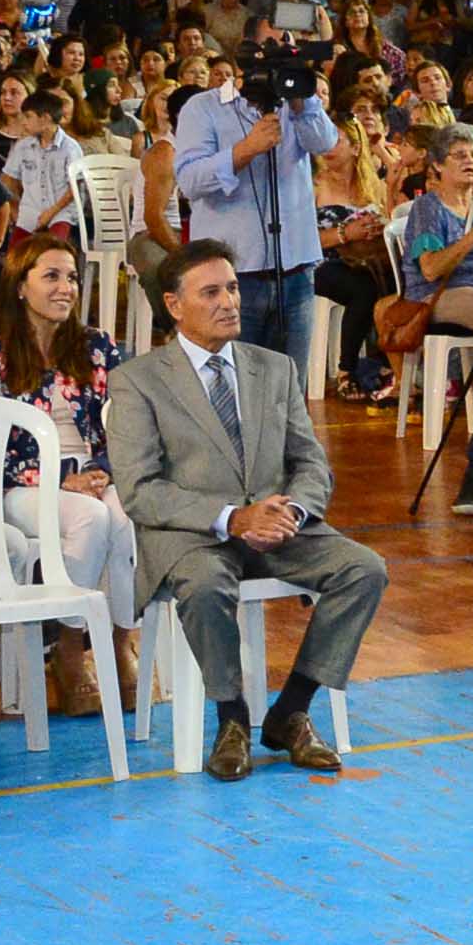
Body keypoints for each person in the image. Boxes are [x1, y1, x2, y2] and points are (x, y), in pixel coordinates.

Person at [105, 242, 386, 779]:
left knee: (364, 569)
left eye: (231, 288)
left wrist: (292, 514)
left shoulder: (274, 368)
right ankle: (231, 719)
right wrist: (234, 517)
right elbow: (140, 490)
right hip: (192, 534)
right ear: (174, 304)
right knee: (206, 586)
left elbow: (311, 464)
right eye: (210, 292)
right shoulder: (138, 379)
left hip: (278, 527)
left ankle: (290, 710)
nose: (228, 301)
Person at [0, 239, 137, 714]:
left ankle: (120, 641)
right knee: (89, 519)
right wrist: (59, 479)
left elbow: (129, 424)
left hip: (96, 477)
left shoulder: (99, 347)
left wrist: (100, 470)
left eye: (73, 278)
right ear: (20, 286)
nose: (66, 288)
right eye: (52, 276)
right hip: (21, 486)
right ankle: (68, 650)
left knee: (127, 519)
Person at [171, 50, 343, 367]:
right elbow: (190, 181)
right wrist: (244, 151)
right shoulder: (203, 107)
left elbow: (326, 144)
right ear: (246, 55)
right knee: (235, 385)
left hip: (296, 268)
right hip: (233, 276)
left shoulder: (297, 104)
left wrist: (301, 103)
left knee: (289, 389)